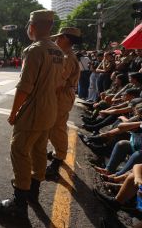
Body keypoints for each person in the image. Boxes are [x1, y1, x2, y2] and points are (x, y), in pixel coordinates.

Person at [0, 10, 64, 219]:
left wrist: (14, 113)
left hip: (33, 111)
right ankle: (33, 192)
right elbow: (59, 86)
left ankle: (19, 203)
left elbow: (24, 87)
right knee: (39, 150)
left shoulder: (34, 50)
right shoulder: (58, 51)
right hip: (50, 110)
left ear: (32, 26)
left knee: (20, 151)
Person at [45, 27, 82, 180]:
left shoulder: (66, 58)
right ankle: (57, 152)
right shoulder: (65, 55)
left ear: (66, 39)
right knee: (54, 125)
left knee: (57, 127)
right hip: (62, 95)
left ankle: (58, 159)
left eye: (59, 38)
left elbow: (58, 82)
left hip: (62, 95)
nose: (56, 40)